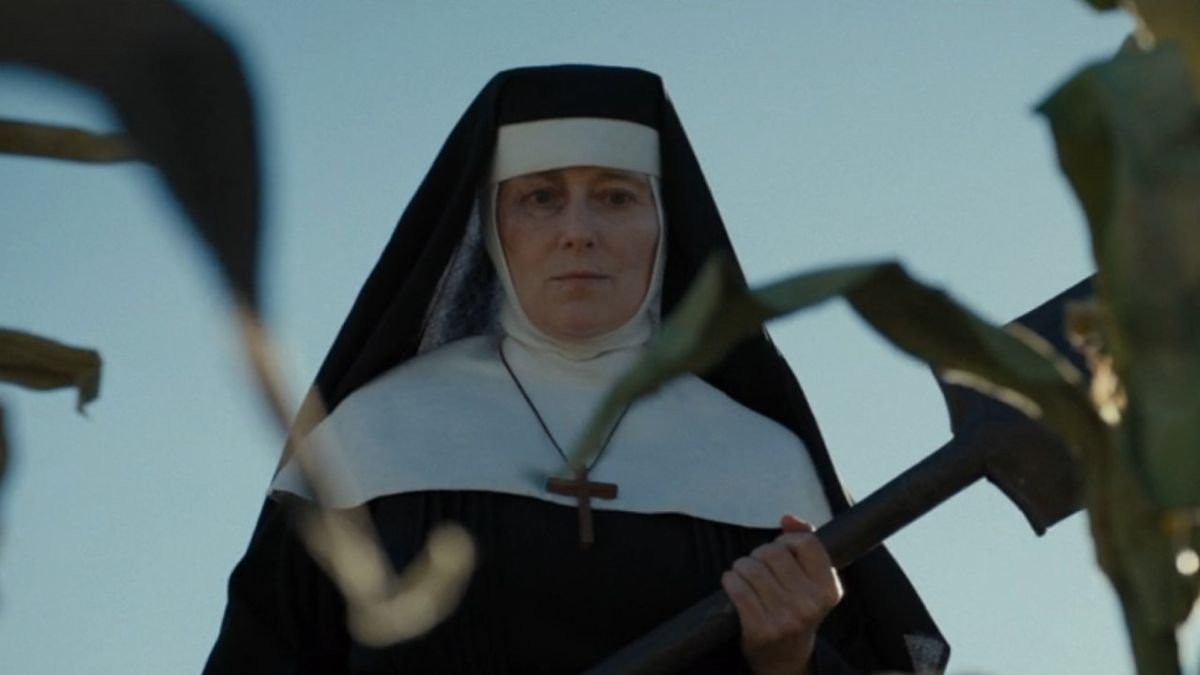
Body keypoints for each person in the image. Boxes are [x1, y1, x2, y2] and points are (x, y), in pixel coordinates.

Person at [205, 64, 948, 674]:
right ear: (490, 231)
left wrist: (791, 659)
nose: (577, 233)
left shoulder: (765, 465)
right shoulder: (370, 439)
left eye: (616, 197)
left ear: (665, 224)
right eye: (540, 198)